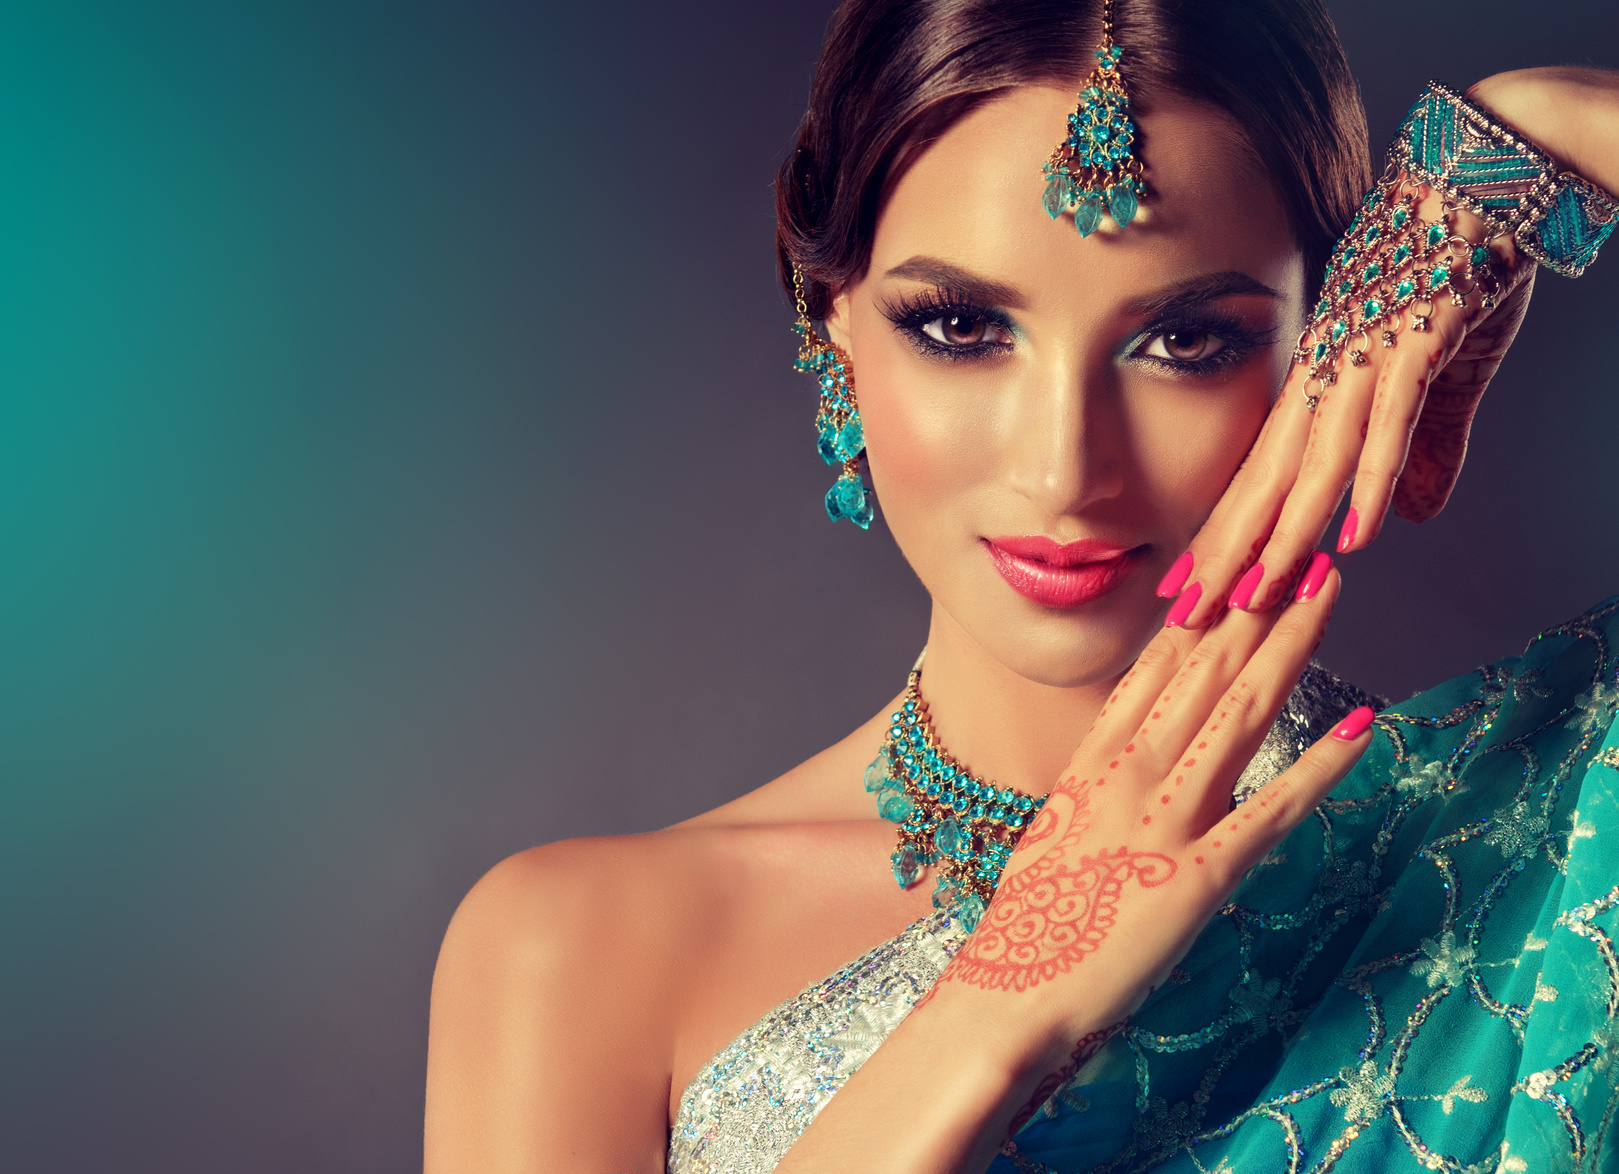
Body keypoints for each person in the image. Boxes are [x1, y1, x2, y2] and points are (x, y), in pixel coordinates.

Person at [421, 1, 1619, 1170]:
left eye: (1184, 341)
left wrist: (1546, 123)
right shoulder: (576, 952)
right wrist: (993, 1008)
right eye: (958, 327)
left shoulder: (1520, 839)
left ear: (1319, 345)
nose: (1063, 468)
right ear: (826, 307)